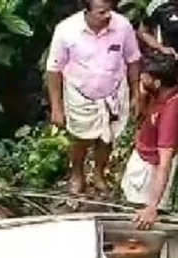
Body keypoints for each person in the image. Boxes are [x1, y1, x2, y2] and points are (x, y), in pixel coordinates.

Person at [46, 0, 142, 195]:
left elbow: (133, 60)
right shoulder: (66, 30)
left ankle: (99, 173)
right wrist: (56, 106)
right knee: (80, 138)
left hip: (113, 93)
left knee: (107, 138)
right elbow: (53, 70)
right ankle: (77, 173)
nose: (108, 16)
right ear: (86, 11)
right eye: (101, 12)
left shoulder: (122, 26)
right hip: (80, 96)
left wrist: (136, 93)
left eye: (109, 10)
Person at [120, 54, 178, 230]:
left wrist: (152, 206)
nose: (141, 79)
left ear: (157, 83)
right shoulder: (177, 85)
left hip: (151, 167)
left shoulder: (170, 116)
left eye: (145, 77)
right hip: (145, 149)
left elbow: (164, 162)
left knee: (140, 215)